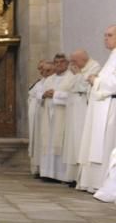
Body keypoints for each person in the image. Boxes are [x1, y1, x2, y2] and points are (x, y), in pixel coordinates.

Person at [76, 25, 116, 192]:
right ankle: (95, 183)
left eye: (109, 35)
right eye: (105, 35)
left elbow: (113, 84)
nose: (105, 38)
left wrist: (95, 80)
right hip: (101, 107)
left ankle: (103, 183)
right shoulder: (112, 56)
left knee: (105, 146)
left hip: (110, 108)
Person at [59, 50, 100, 183]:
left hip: (83, 109)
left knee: (80, 141)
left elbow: (83, 86)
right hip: (74, 109)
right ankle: (72, 176)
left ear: (83, 59)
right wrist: (77, 76)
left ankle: (81, 177)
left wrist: (77, 75)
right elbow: (68, 86)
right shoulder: (77, 69)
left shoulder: (94, 66)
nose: (73, 64)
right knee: (72, 142)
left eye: (75, 61)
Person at [37, 53, 76, 181]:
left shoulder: (71, 78)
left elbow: (72, 96)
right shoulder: (49, 79)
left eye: (62, 62)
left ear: (67, 63)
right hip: (48, 115)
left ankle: (59, 175)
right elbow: (38, 93)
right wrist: (44, 94)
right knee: (48, 141)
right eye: (56, 62)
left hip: (62, 115)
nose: (59, 64)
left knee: (60, 141)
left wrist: (56, 94)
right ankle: (48, 173)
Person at [27, 59, 53, 176]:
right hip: (36, 116)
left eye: (45, 69)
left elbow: (43, 94)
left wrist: (41, 95)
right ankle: (37, 168)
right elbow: (34, 93)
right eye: (40, 69)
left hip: (44, 115)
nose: (42, 72)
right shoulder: (40, 81)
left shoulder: (52, 81)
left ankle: (43, 169)